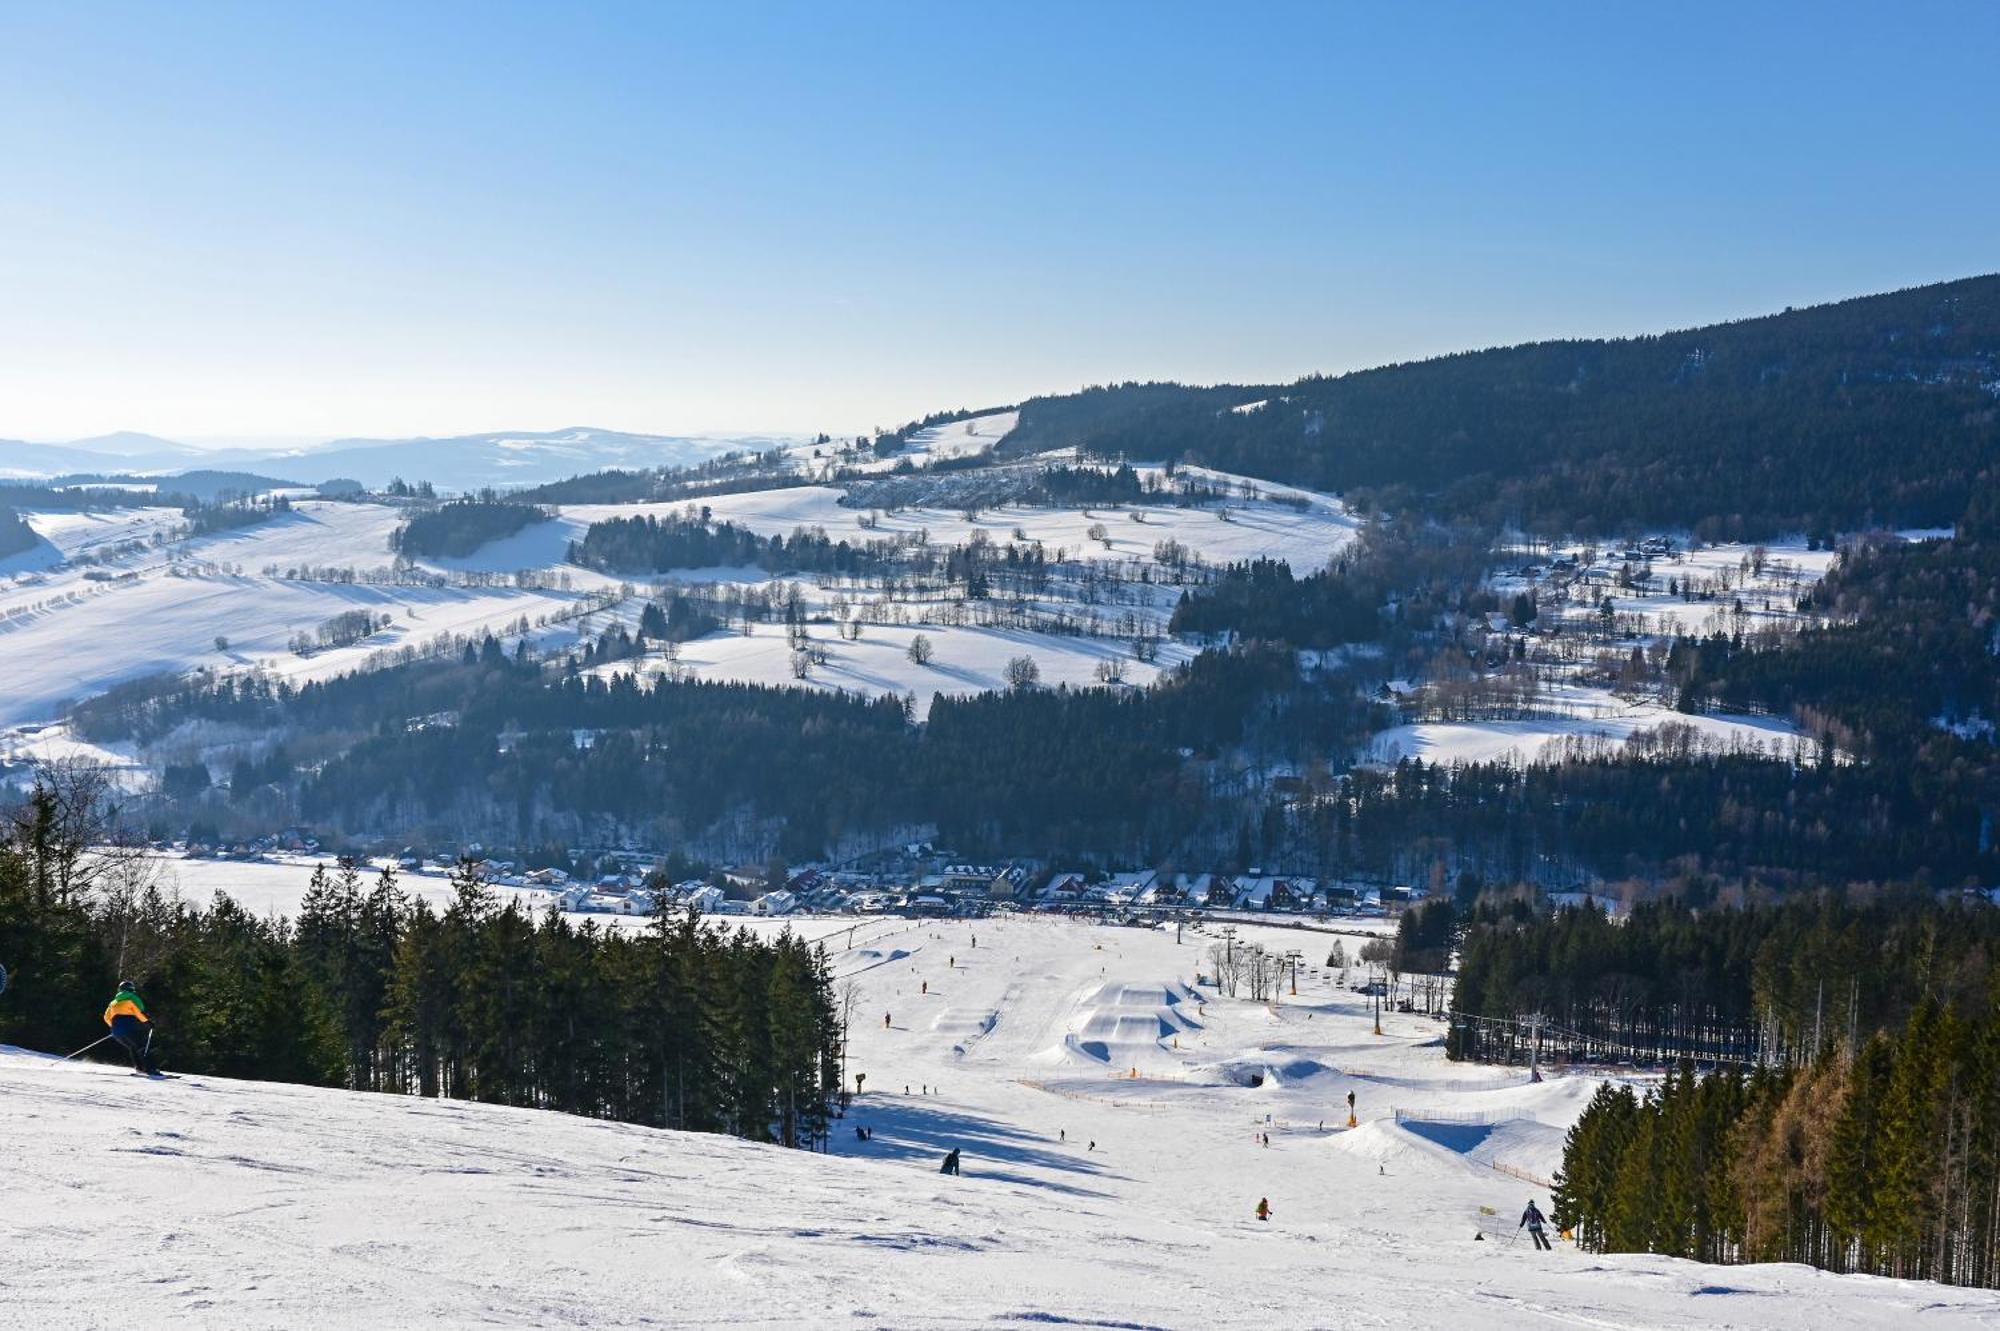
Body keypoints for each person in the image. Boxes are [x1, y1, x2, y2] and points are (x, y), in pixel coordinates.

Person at [103, 979, 159, 1075]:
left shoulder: (113, 1003)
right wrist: (147, 1022)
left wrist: (116, 1026)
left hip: (116, 1031)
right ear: (131, 989)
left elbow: (106, 1017)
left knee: (133, 1047)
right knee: (142, 1046)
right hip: (130, 1027)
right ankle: (151, 1069)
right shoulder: (133, 998)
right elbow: (139, 1011)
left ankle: (140, 1068)